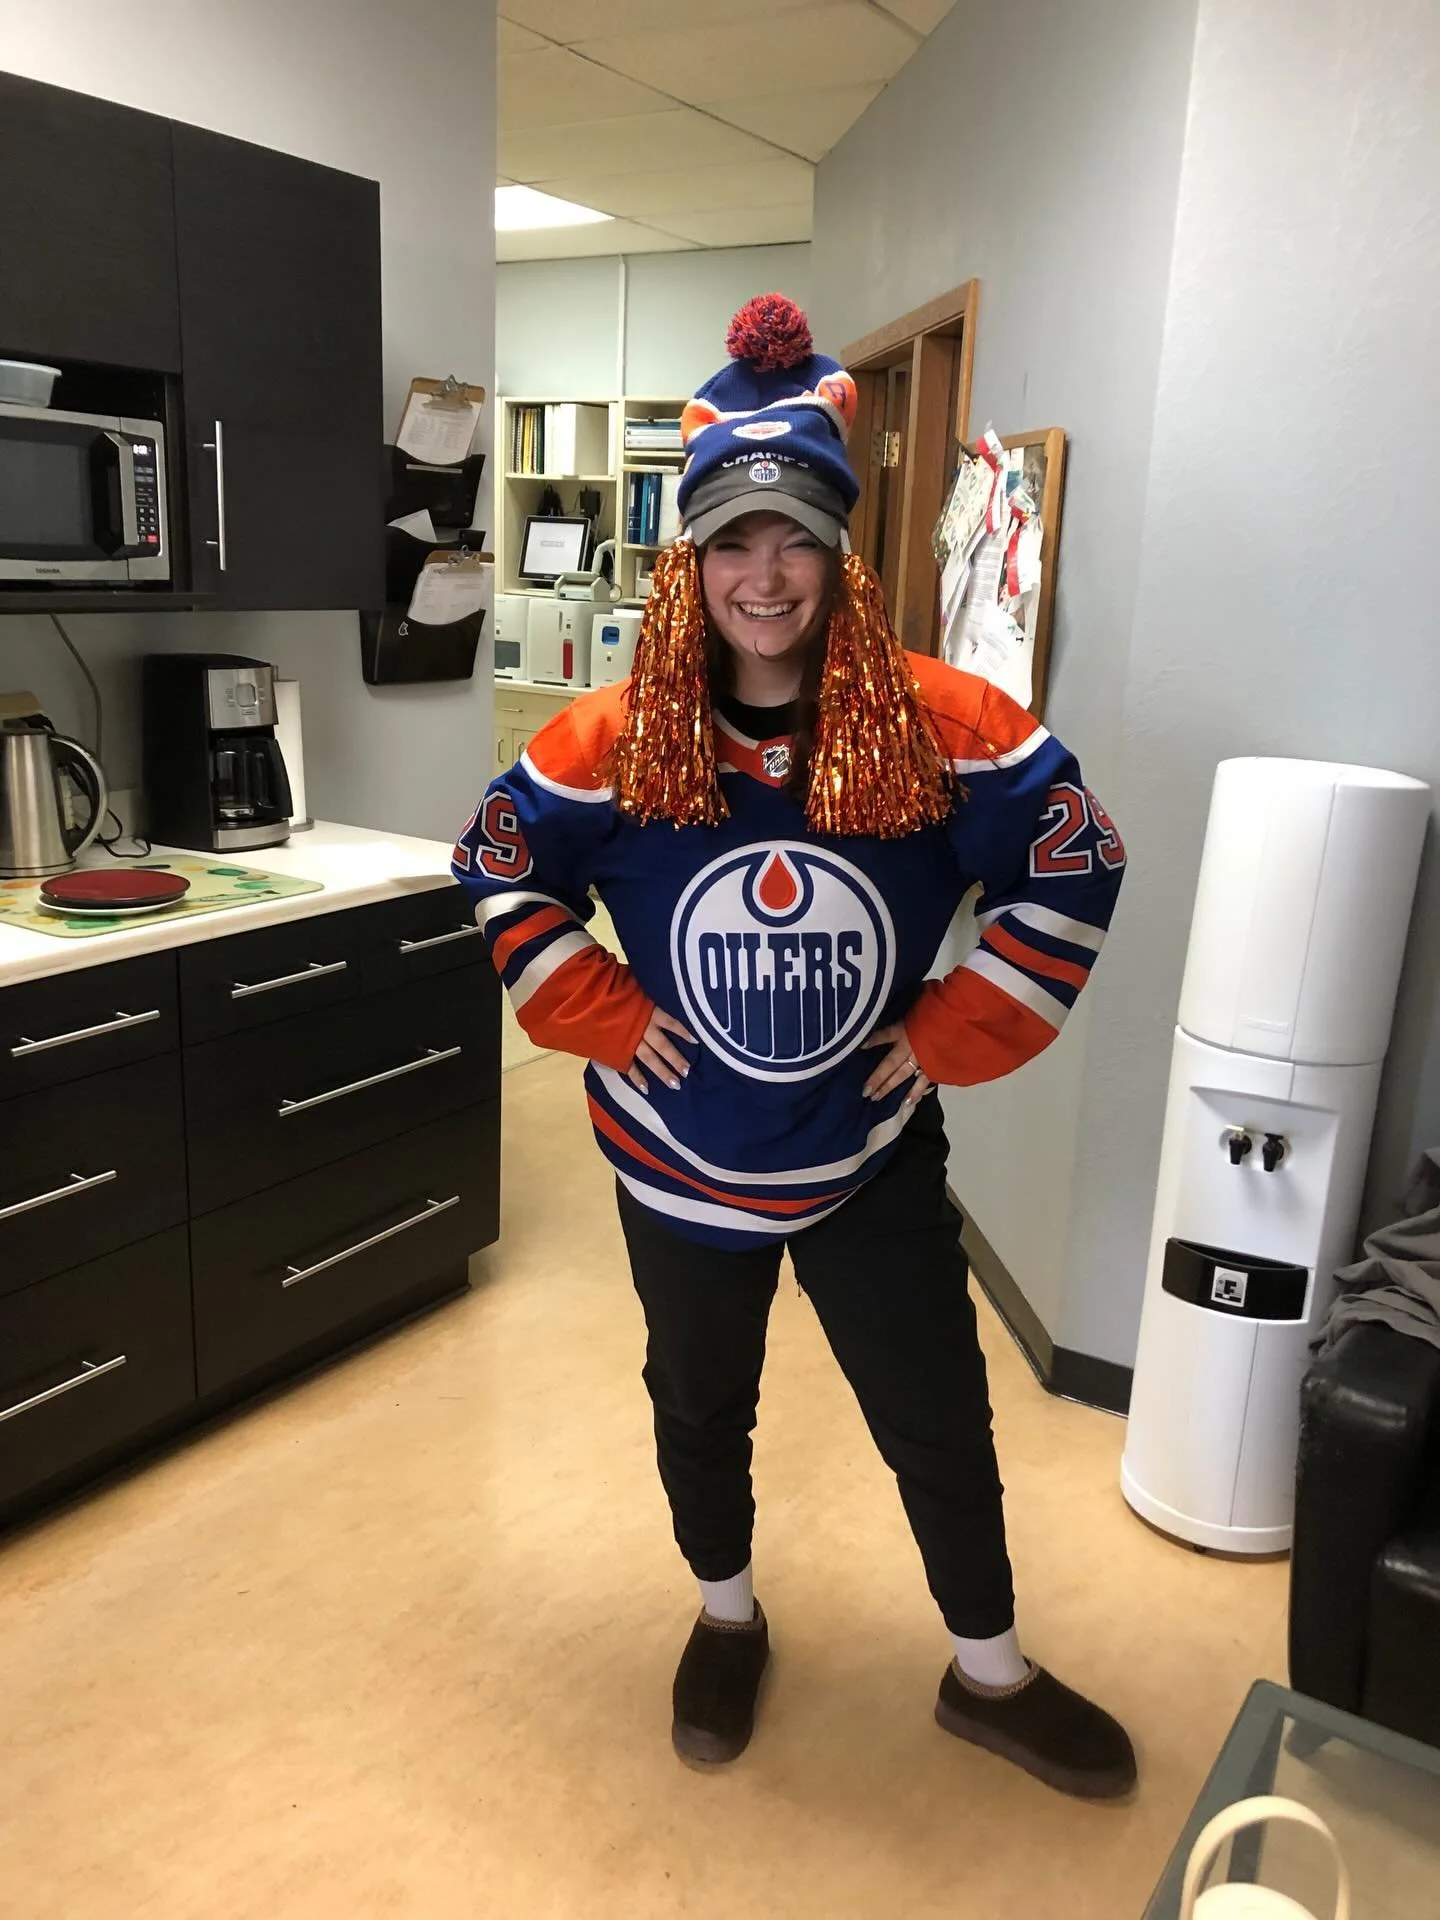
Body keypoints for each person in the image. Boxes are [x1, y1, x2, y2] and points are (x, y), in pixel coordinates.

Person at [454, 295, 1135, 1800]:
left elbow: (1077, 862)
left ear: (842, 552)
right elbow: (496, 864)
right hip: (678, 1163)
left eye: (798, 537)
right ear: (690, 562)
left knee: (937, 1417)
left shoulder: (950, 727)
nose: (766, 576)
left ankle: (990, 1672)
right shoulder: (609, 740)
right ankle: (724, 1615)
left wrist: (956, 1025)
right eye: (733, 542)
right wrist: (605, 1014)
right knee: (700, 1405)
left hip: (870, 1158)